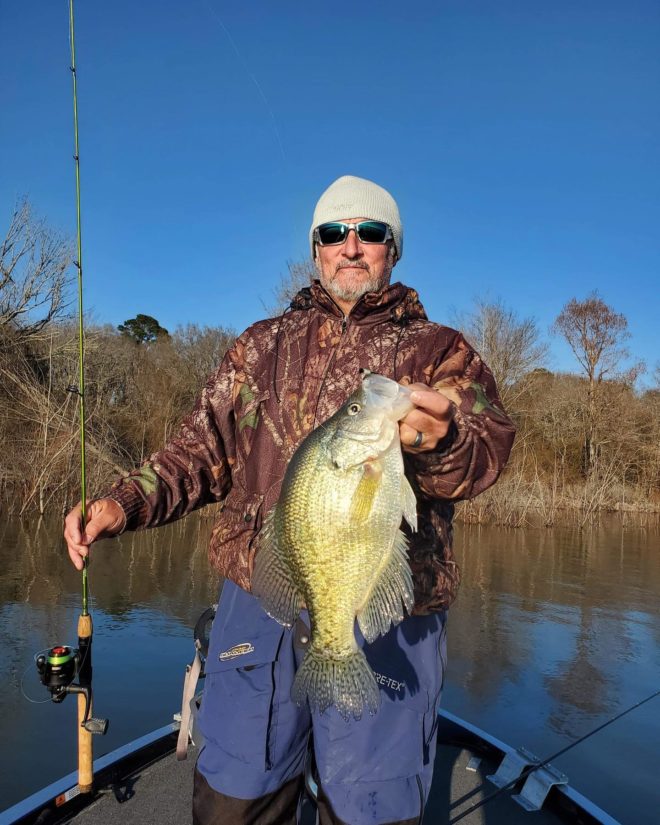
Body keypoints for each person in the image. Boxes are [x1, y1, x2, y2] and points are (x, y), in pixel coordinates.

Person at [64, 175, 515, 825]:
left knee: (372, 804)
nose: (351, 246)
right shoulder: (260, 348)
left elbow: (486, 450)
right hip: (261, 598)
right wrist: (119, 504)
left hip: (393, 605)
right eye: (334, 232)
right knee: (235, 796)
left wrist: (441, 440)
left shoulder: (440, 351)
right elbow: (196, 451)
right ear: (316, 248)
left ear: (394, 249)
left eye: (371, 232)